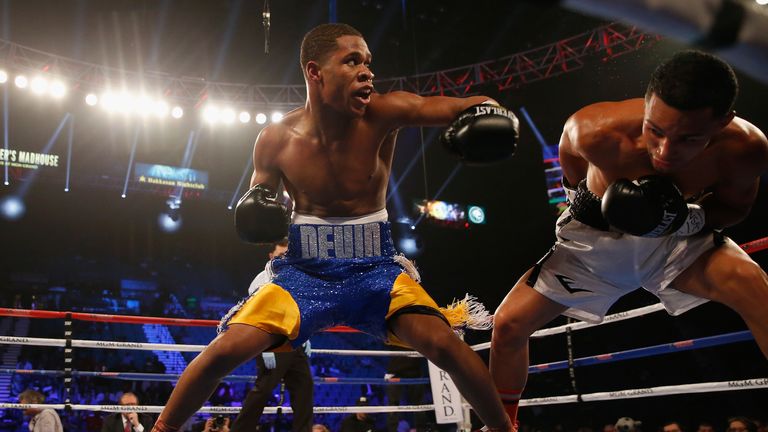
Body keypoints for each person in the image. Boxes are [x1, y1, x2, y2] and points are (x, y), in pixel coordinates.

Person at [152, 22, 518, 432]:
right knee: (225, 351)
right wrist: (254, 211)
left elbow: (470, 104)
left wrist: (489, 113)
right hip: (303, 272)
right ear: (315, 72)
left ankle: (504, 429)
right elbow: (258, 205)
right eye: (352, 61)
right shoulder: (276, 139)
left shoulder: (385, 112)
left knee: (442, 342)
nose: (367, 72)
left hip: (376, 269)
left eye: (368, 62)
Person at [490, 50, 768, 426]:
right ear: (648, 103)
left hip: (676, 244)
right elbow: (569, 169)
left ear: (723, 122)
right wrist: (585, 202)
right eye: (655, 130)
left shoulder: (745, 149)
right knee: (507, 324)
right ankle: (502, 424)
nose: (665, 151)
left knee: (754, 286)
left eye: (689, 139)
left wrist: (684, 220)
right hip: (595, 244)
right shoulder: (594, 130)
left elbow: (734, 209)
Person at [230, 239, 314, 432]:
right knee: (263, 389)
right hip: (272, 342)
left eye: (287, 254)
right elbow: (255, 316)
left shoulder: (297, 279)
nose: (284, 258)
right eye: (280, 254)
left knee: (304, 390)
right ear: (271, 256)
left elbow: (301, 310)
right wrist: (265, 348)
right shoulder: (262, 280)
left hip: (295, 342)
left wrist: (306, 334)